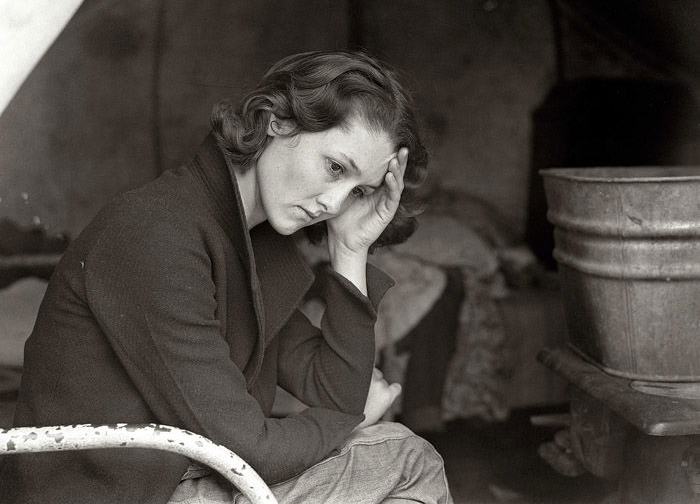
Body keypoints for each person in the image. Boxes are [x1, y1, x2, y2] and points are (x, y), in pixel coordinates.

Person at [0, 50, 453, 503]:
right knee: (408, 460)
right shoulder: (157, 232)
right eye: (335, 167)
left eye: (358, 191)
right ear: (278, 121)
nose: (334, 204)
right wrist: (351, 420)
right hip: (112, 493)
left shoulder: (249, 241)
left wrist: (350, 250)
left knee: (401, 455)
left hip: (177, 477)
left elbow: (331, 387)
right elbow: (253, 449)